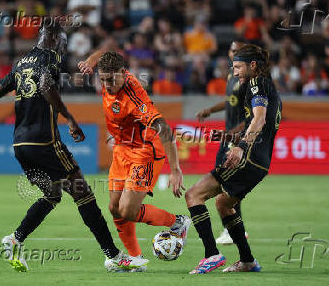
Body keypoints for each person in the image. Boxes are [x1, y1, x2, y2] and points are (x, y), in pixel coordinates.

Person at [0, 23, 144, 273]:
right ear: (52, 39)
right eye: (63, 42)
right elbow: (45, 85)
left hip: (20, 144)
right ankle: (114, 256)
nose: (64, 48)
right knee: (83, 194)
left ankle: (15, 238)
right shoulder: (51, 58)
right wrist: (69, 117)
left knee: (52, 195)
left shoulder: (20, 63)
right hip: (45, 142)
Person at [80, 51, 191, 269]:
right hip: (122, 149)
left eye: (111, 80)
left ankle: (178, 223)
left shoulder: (135, 98)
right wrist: (89, 62)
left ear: (123, 73)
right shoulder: (111, 73)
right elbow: (107, 49)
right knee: (114, 208)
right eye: (102, 80)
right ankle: (134, 259)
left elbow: (165, 129)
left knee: (128, 211)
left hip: (144, 151)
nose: (107, 84)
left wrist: (176, 169)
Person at [185, 44, 282, 274]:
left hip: (247, 157)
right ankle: (247, 260)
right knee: (224, 203)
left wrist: (240, 147)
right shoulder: (266, 85)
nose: (235, 71)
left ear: (253, 65)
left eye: (238, 67)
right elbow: (257, 121)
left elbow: (259, 120)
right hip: (261, 162)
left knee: (193, 195)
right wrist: (232, 136)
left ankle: (211, 255)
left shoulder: (257, 83)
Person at [196, 39, 248, 245]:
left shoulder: (248, 81)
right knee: (226, 182)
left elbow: (252, 115)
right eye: (231, 49)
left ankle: (235, 229)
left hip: (237, 138)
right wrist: (211, 110)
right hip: (228, 136)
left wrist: (234, 135)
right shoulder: (231, 75)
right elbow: (229, 102)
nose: (233, 53)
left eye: (238, 51)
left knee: (228, 182)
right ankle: (233, 229)